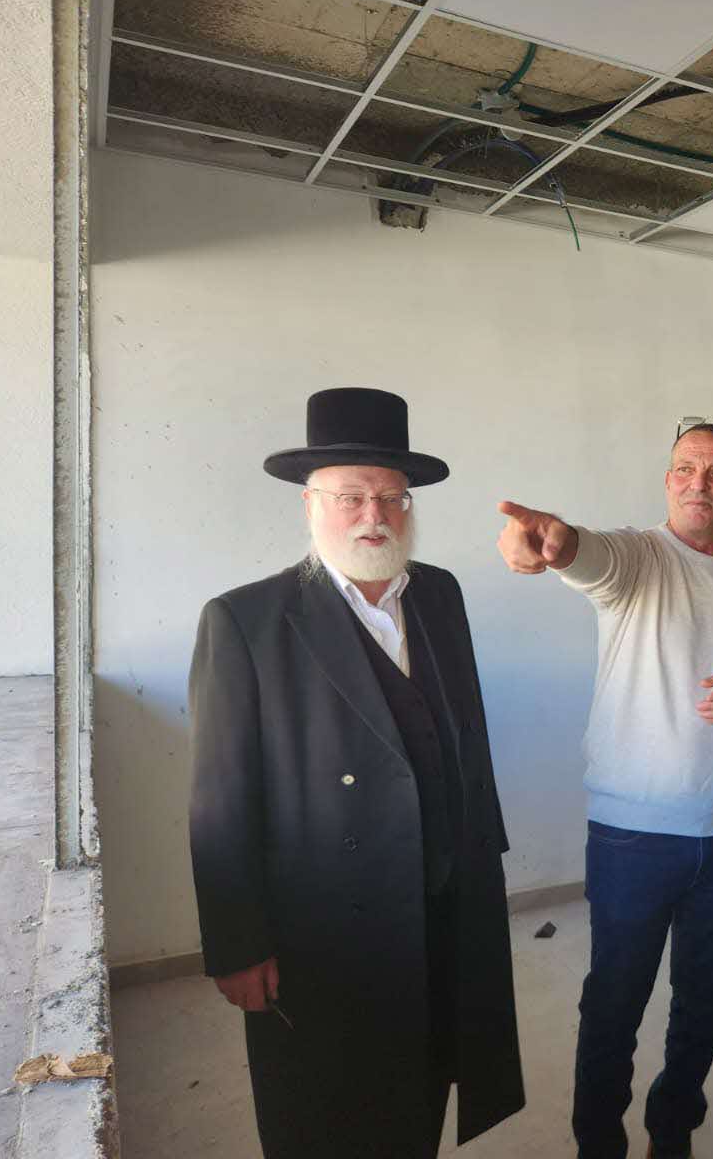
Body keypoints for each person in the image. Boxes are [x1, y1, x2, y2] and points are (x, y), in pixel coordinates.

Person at [188, 387, 525, 1158]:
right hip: (324, 922)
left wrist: (484, 856)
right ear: (310, 504)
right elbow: (219, 799)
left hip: (441, 901)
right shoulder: (245, 621)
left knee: (425, 1080)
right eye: (350, 496)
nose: (374, 514)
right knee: (324, 1106)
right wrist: (237, 944)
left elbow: (464, 738)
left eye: (391, 497)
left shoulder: (439, 593)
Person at [494, 418, 713, 1159]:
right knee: (614, 1004)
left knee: (704, 1003)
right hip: (632, 837)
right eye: (686, 468)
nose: (700, 483)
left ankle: (672, 1131)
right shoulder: (637, 557)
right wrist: (553, 540)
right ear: (667, 481)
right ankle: (598, 1142)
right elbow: (585, 555)